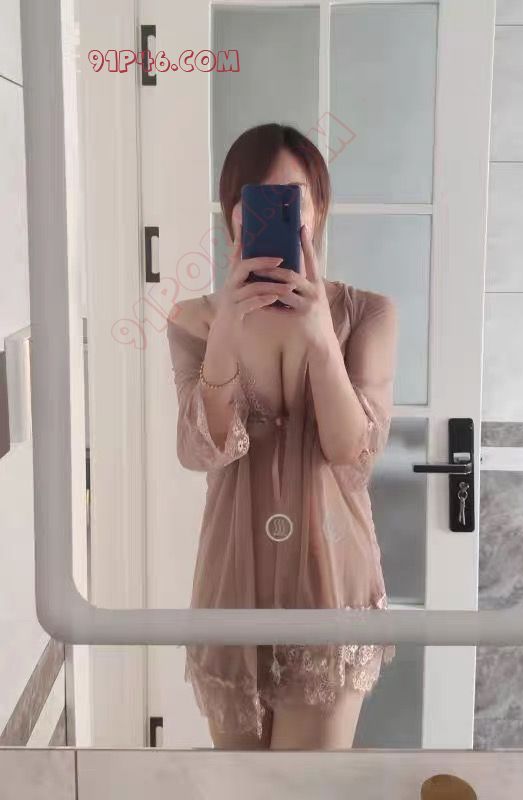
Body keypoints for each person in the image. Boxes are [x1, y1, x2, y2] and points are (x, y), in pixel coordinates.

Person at [166, 122, 398, 750]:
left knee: (306, 789)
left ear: (318, 209)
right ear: (233, 214)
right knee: (243, 788)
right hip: (230, 579)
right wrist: (224, 336)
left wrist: (321, 336)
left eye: (293, 198)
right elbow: (199, 450)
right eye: (259, 199)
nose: (280, 213)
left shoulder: (368, 314)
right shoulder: (193, 320)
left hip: (331, 581)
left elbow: (353, 454)